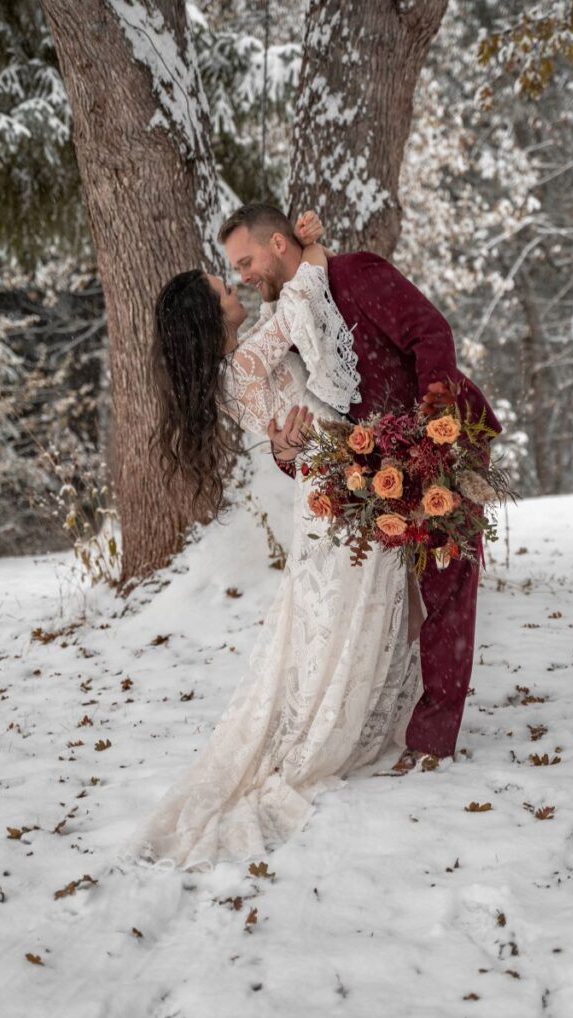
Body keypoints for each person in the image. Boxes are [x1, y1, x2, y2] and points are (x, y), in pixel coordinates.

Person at [121, 219, 422, 872]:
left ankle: (353, 704)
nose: (234, 284)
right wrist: (308, 249)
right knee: (347, 602)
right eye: (219, 287)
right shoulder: (250, 358)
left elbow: (282, 336)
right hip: (336, 483)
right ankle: (338, 723)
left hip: (326, 483)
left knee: (335, 612)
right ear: (210, 315)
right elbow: (298, 304)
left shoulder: (233, 367)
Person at [220, 203, 502, 771]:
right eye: (235, 269)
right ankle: (399, 713)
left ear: (278, 244)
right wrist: (289, 451)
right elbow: (313, 419)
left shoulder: (357, 273)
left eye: (246, 261)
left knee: (448, 581)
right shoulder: (295, 314)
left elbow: (431, 333)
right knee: (406, 599)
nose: (243, 276)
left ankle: (432, 737)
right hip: (378, 469)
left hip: (441, 434)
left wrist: (435, 426)